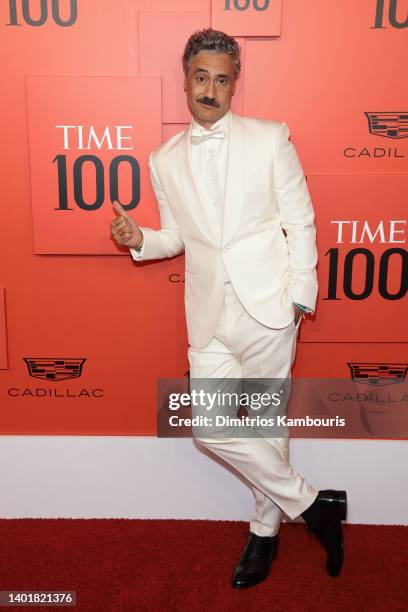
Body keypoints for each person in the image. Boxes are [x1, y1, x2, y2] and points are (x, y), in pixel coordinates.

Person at [110, 28, 347, 589]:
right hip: (209, 315)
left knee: (267, 427)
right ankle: (314, 508)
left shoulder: (270, 139)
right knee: (208, 425)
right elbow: (174, 238)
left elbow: (301, 221)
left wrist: (298, 296)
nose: (210, 89)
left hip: (268, 307)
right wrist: (136, 237)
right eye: (201, 77)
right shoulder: (163, 158)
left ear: (234, 83)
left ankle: (264, 532)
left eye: (222, 79)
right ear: (185, 79)